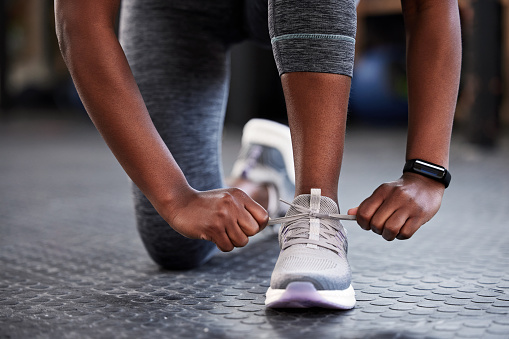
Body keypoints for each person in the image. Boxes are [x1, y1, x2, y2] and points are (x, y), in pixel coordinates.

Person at [55, 0, 461, 309]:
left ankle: (314, 211)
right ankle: (263, 176)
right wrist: (176, 197)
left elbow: (431, 5)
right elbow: (80, 23)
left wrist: (426, 172)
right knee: (176, 244)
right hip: (179, 9)